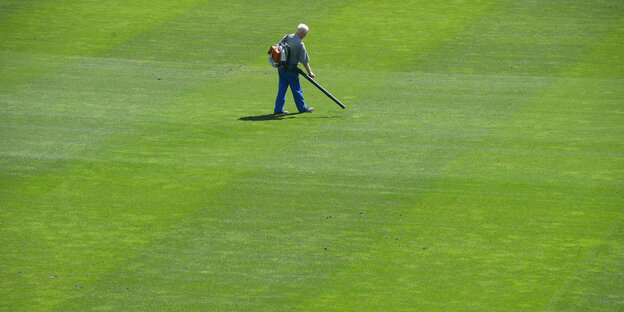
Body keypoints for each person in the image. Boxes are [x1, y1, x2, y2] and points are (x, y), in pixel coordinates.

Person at [274, 24, 315, 115]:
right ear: (301, 32)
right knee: (296, 89)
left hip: (281, 67)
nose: (306, 35)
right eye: (305, 33)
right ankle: (302, 108)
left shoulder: (287, 37)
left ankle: (278, 109)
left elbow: (277, 48)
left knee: (282, 88)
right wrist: (310, 72)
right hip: (292, 69)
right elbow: (304, 61)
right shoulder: (300, 43)